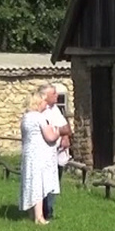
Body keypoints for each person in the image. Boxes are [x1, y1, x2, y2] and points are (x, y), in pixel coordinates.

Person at [19, 91, 68, 224]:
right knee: (38, 185)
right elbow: (50, 136)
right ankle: (39, 217)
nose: (45, 104)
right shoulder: (39, 117)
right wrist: (59, 131)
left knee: (30, 182)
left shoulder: (26, 117)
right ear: (38, 103)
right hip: (38, 155)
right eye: (43, 102)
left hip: (28, 154)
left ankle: (30, 213)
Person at [39, 83, 71, 219]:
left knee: (54, 180)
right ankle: (43, 211)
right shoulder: (39, 111)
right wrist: (59, 132)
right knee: (44, 181)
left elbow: (65, 127)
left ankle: (49, 209)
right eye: (54, 94)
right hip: (45, 151)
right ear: (45, 96)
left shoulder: (55, 109)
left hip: (57, 151)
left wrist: (65, 137)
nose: (57, 96)